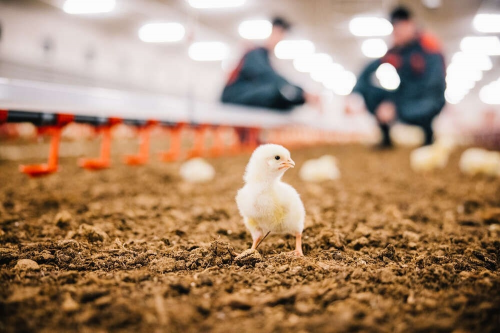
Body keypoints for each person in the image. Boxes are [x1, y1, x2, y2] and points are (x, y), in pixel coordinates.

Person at [347, 6, 446, 148]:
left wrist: (396, 106)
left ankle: (428, 135)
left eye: (400, 28)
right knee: (369, 91)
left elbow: (434, 85)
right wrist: (354, 95)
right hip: (403, 98)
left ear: (411, 24)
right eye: (394, 29)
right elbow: (368, 69)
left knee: (427, 105)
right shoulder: (397, 51)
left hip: (428, 98)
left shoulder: (429, 46)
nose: (396, 33)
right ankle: (386, 139)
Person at [221, 17, 320, 111]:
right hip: (233, 100)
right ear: (273, 31)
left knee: (283, 96)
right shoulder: (255, 53)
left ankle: (301, 99)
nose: (280, 38)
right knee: (277, 92)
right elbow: (269, 76)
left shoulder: (267, 58)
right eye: (279, 33)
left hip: (241, 101)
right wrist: (302, 92)